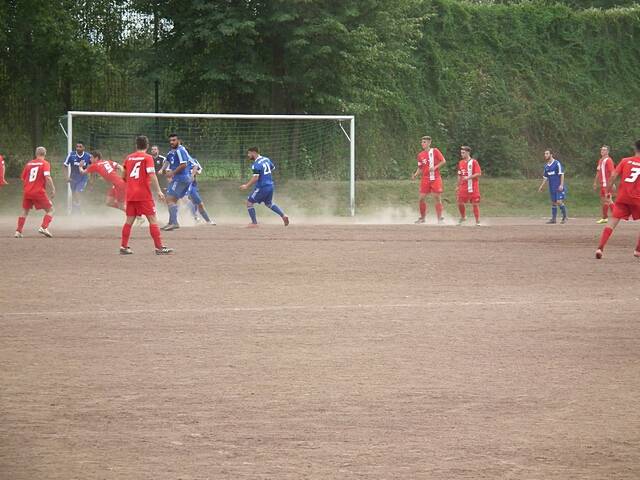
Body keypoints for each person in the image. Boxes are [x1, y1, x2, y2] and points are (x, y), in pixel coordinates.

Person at [120, 135, 173, 255]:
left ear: (136, 145)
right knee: (153, 220)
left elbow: (123, 175)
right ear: (147, 146)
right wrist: (159, 191)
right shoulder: (147, 158)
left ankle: (123, 246)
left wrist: (131, 184)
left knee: (129, 221)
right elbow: (152, 175)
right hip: (143, 195)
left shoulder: (128, 158)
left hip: (131, 194)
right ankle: (159, 248)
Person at [595, 140, 640, 259]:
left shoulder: (625, 161)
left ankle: (600, 248)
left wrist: (607, 192)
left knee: (612, 222)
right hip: (637, 198)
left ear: (634, 149)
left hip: (623, 196)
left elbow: (613, 176)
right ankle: (637, 250)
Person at [240, 147, 289, 227]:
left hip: (262, 187)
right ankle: (283, 215)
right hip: (270, 185)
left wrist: (246, 185)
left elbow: (256, 178)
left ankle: (254, 223)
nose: (248, 155)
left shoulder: (256, 164)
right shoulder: (266, 159)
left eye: (249, 153)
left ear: (253, 152)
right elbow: (272, 168)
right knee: (268, 203)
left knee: (249, 203)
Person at [15, 147, 55, 238]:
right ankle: (44, 227)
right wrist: (53, 188)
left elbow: (24, 178)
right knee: (51, 210)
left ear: (36, 154)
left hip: (27, 192)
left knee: (24, 211)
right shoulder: (45, 163)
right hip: (38, 192)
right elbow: (47, 177)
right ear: (45, 154)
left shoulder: (28, 164)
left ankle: (18, 231)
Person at [412, 136, 446, 224]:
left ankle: (440, 219)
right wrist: (415, 175)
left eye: (425, 142)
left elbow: (443, 161)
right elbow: (420, 168)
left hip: (435, 178)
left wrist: (435, 167)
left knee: (437, 197)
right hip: (425, 179)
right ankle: (422, 218)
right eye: (422, 142)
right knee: (421, 198)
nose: (423, 144)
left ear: (429, 143)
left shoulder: (435, 151)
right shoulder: (420, 155)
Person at [161, 133, 193, 231]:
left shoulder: (180, 150)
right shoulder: (172, 152)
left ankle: (174, 223)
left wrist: (172, 173)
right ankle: (171, 222)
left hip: (181, 178)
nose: (172, 142)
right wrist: (163, 170)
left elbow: (183, 164)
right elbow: (167, 161)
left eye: (174, 140)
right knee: (172, 200)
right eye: (170, 140)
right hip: (179, 178)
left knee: (169, 199)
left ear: (178, 141)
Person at [538, 149, 567, 224]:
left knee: (559, 202)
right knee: (553, 202)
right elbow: (545, 177)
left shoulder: (557, 163)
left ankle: (564, 217)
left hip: (558, 186)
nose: (545, 155)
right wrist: (541, 186)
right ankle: (553, 219)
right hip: (552, 187)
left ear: (551, 155)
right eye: (545, 154)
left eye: (547, 154)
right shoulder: (546, 166)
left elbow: (562, 174)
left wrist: (561, 185)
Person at [456, 146, 482, 225]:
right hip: (463, 187)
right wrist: (458, 185)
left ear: (468, 153)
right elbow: (459, 175)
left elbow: (478, 173)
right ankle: (463, 217)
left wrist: (468, 177)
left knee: (475, 204)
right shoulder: (461, 163)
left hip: (473, 187)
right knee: (460, 202)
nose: (462, 154)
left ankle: (477, 221)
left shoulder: (474, 162)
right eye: (461, 153)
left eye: (463, 153)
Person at [63, 141, 92, 214]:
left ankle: (82, 210)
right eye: (77, 146)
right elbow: (65, 166)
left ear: (83, 148)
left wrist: (90, 178)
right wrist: (66, 177)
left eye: (80, 146)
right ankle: (74, 210)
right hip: (73, 178)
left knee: (77, 192)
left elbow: (92, 167)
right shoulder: (71, 155)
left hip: (83, 178)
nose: (78, 148)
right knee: (74, 194)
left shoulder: (88, 156)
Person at [187, 157, 215, 225]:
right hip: (182, 185)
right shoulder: (178, 161)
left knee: (199, 204)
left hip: (192, 185)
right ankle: (194, 217)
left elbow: (199, 171)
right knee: (186, 200)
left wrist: (193, 173)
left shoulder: (193, 161)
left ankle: (207, 221)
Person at [593, 145, 615, 224]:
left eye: (604, 150)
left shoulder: (608, 160)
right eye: (601, 150)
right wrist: (595, 182)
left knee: (608, 200)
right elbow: (598, 172)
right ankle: (605, 218)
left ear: (608, 151)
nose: (602, 151)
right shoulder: (601, 160)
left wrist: (612, 183)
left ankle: (617, 215)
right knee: (604, 201)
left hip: (607, 184)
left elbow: (612, 172)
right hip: (602, 184)